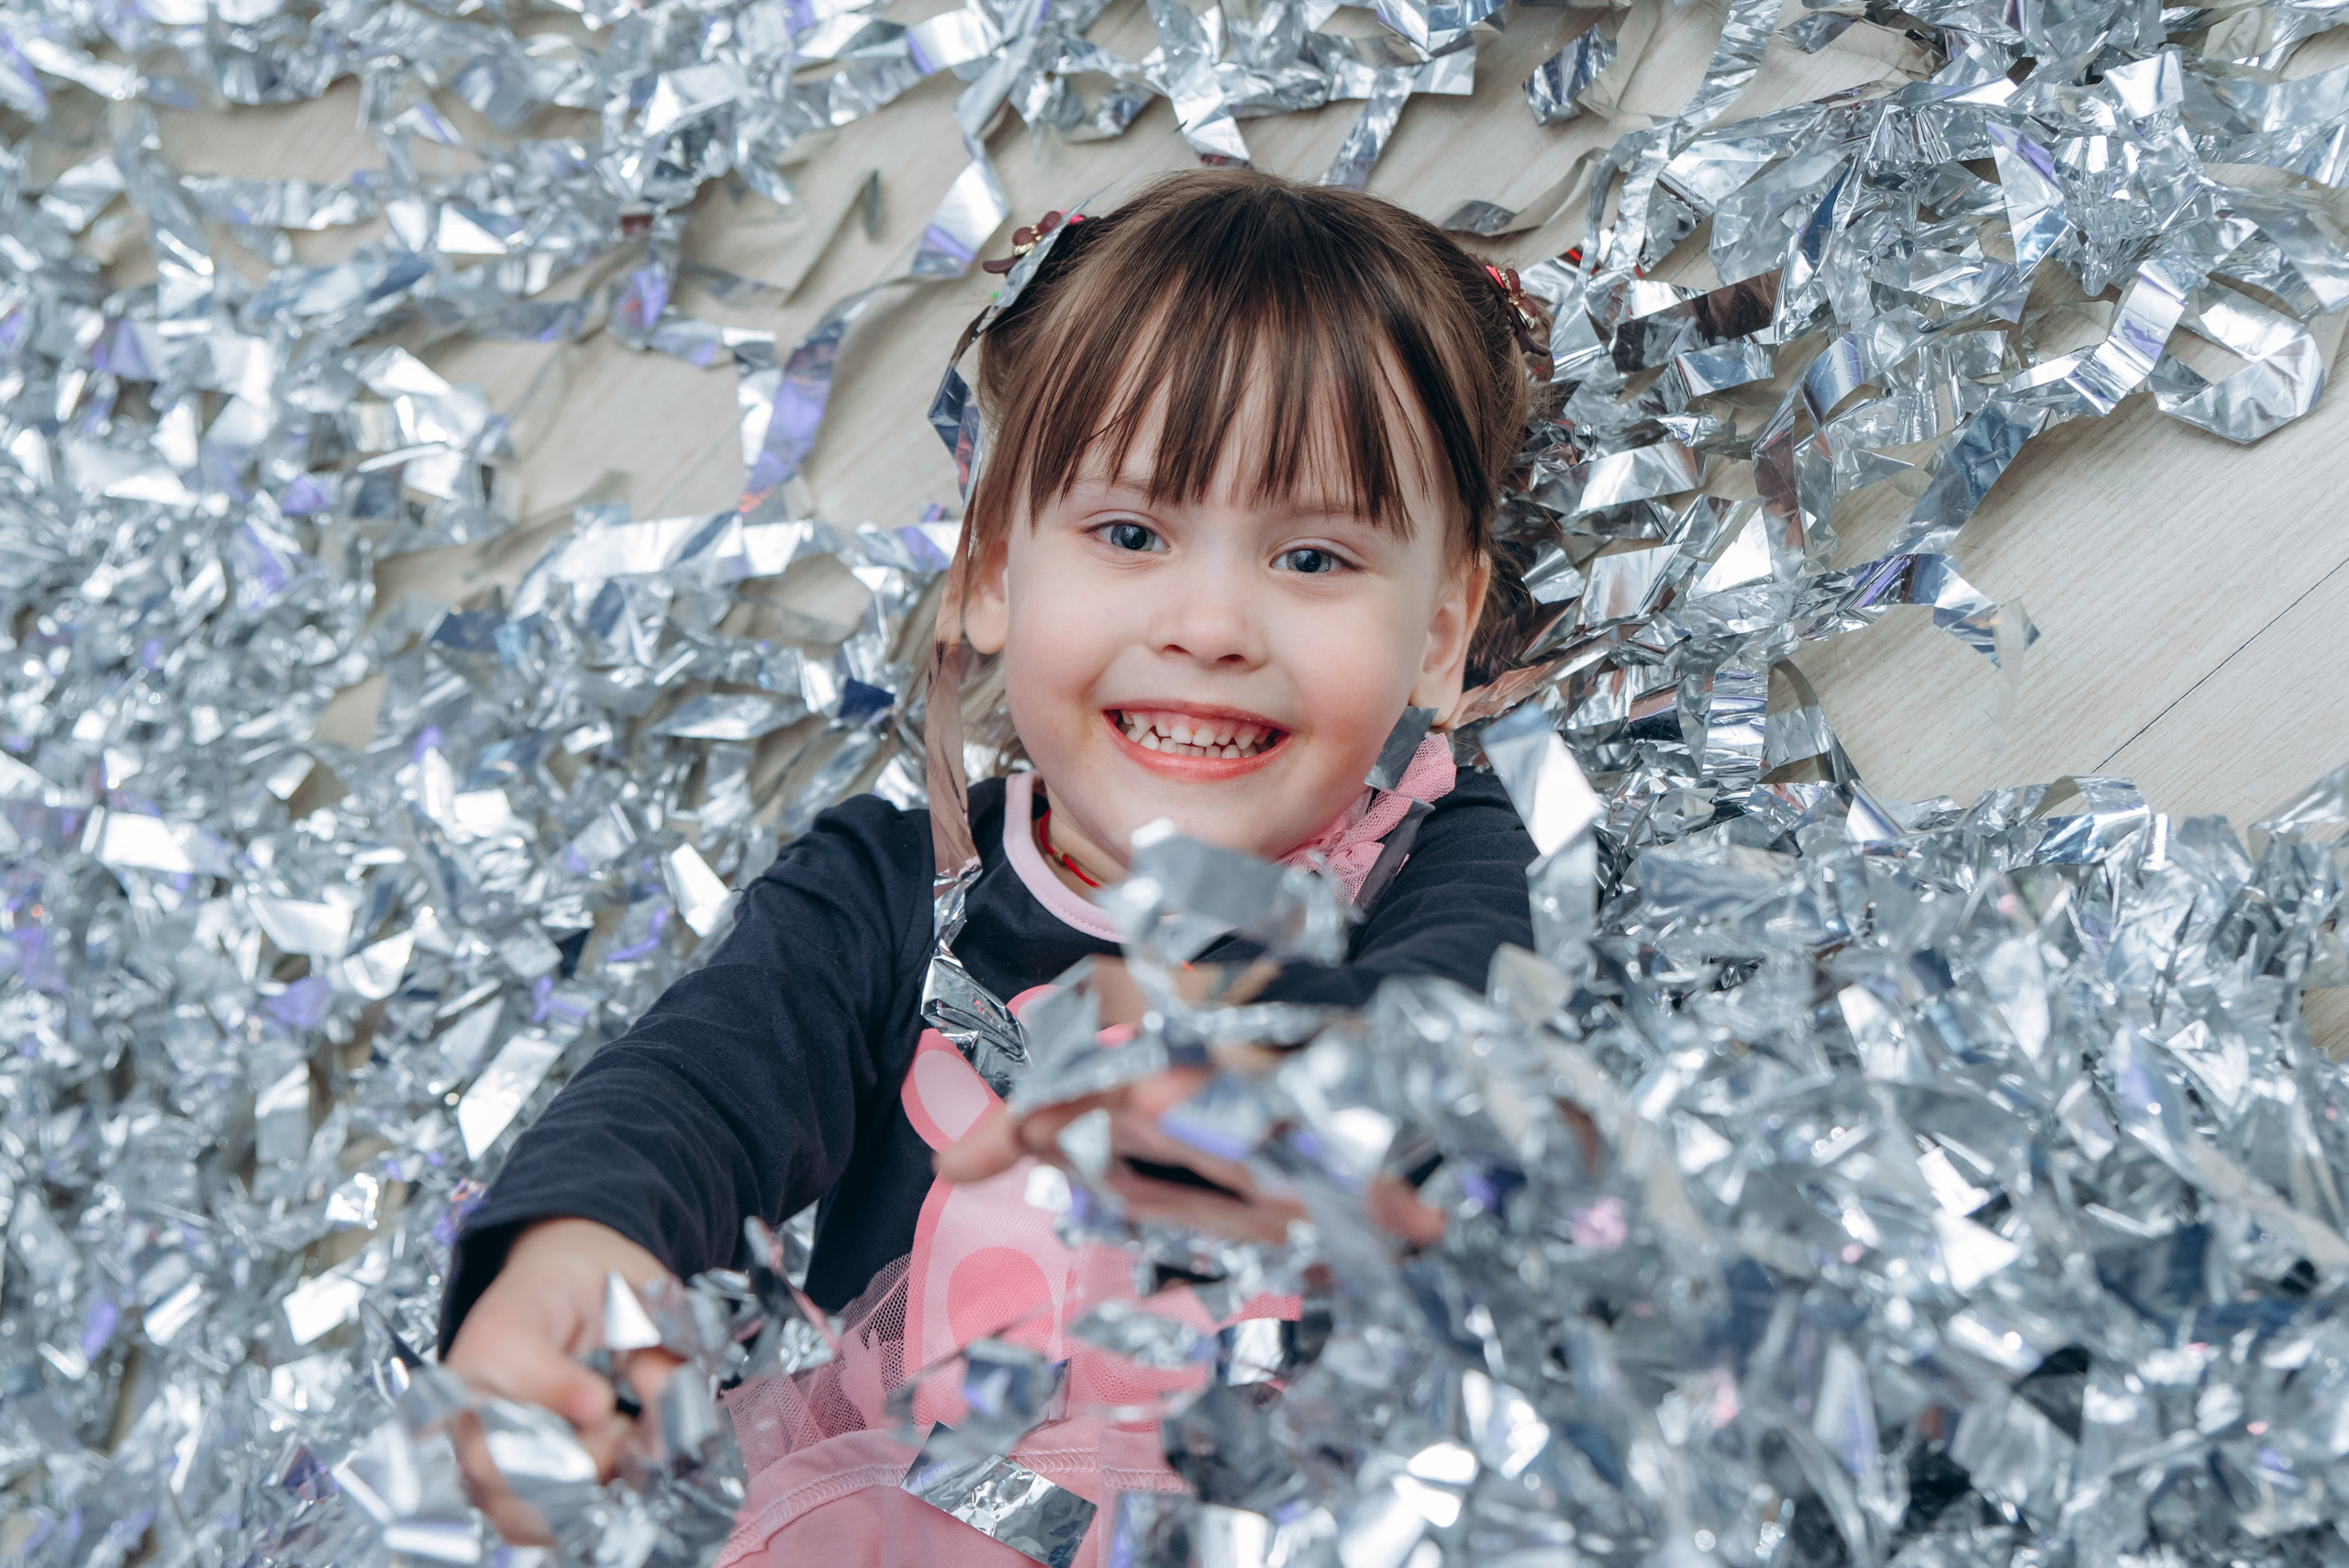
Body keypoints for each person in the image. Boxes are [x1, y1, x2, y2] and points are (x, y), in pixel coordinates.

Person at [438, 165, 1546, 1565]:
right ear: (991, 571)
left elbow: (1451, 1041)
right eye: (1131, 532)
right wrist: (580, 1244)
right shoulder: (892, 889)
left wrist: (1276, 1093)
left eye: (1313, 556)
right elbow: (697, 1085)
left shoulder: (1438, 861)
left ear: (1439, 637)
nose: (1210, 622)